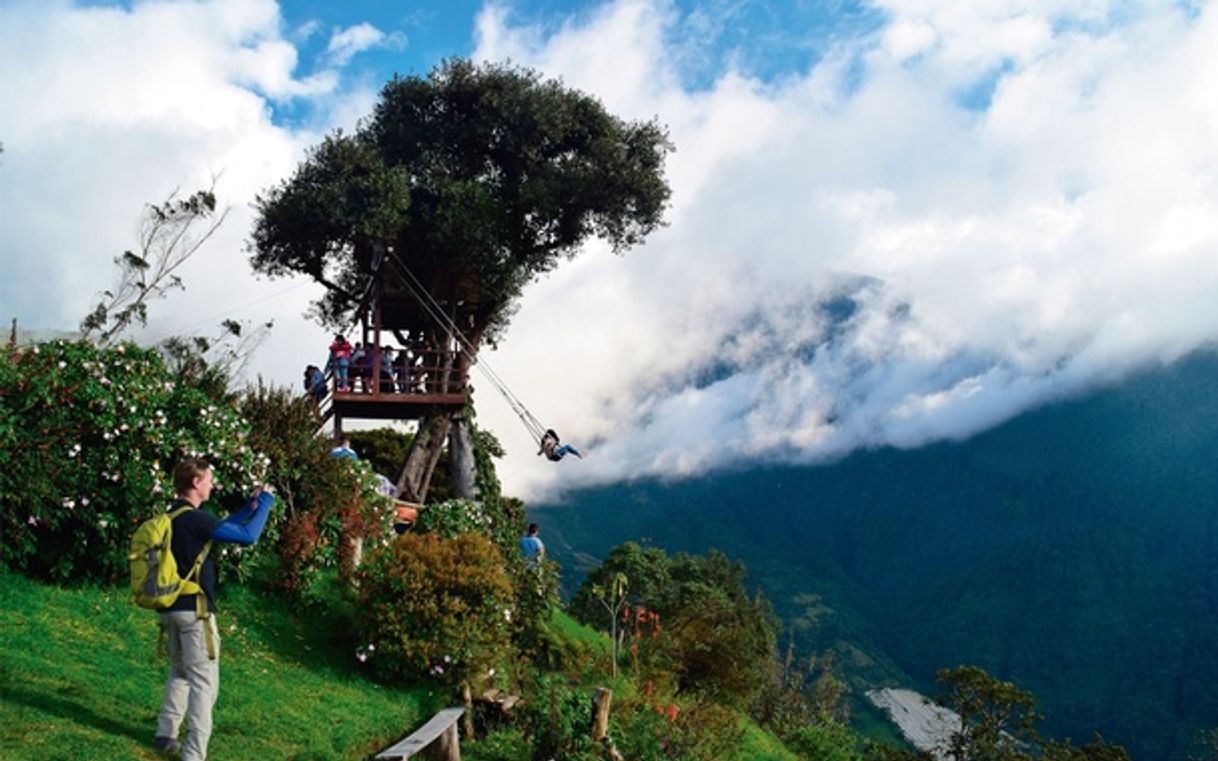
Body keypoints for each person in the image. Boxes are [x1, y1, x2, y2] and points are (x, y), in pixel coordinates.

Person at [153, 458, 275, 761]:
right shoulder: (196, 519)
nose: (212, 484)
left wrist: (248, 508)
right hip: (196, 612)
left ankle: (165, 734)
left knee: (180, 672)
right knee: (203, 683)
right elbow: (248, 536)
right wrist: (266, 503)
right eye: (209, 479)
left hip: (169, 608)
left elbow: (223, 528)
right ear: (196, 483)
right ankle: (194, 754)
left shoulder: (172, 515)